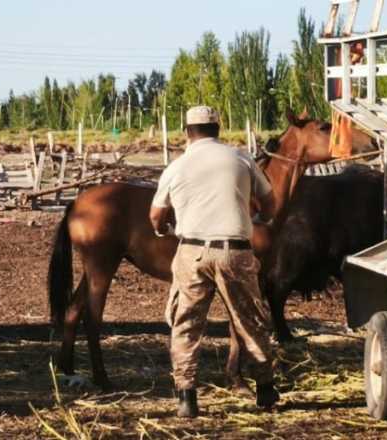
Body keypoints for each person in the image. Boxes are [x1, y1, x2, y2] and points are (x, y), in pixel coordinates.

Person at [148, 105, 279, 418]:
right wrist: (261, 217)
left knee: (186, 324)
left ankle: (187, 397)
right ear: (218, 129)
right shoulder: (241, 159)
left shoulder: (177, 167)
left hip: (192, 251)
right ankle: (265, 389)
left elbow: (156, 215)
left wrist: (162, 229)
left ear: (187, 131)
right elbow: (270, 202)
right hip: (235, 251)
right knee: (251, 320)